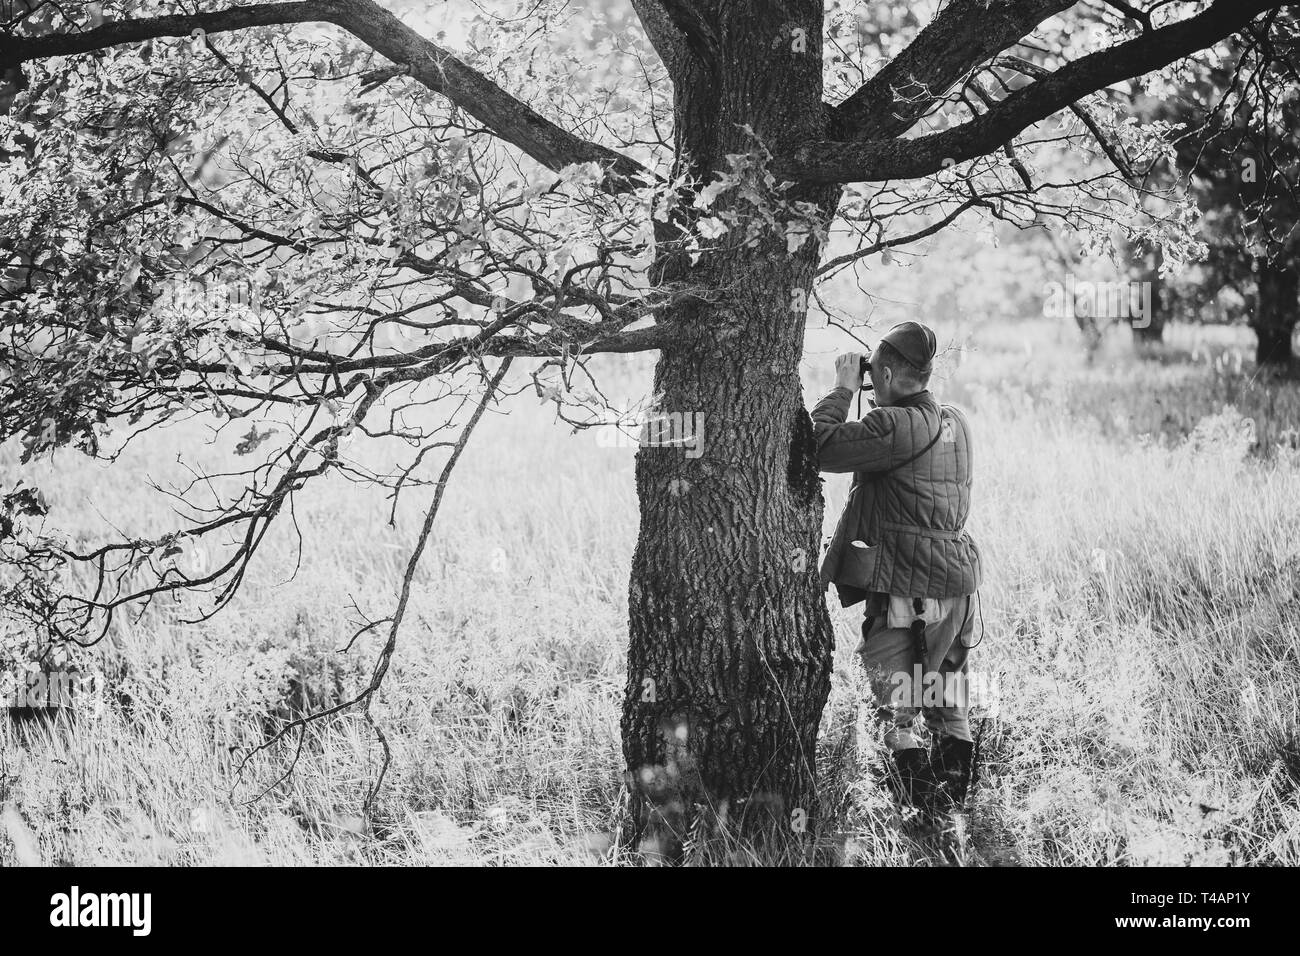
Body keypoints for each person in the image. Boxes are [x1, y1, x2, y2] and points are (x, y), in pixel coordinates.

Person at [810, 321, 983, 818]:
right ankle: (953, 818)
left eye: (873, 374)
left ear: (883, 371)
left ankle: (916, 819)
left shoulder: (894, 426)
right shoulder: (955, 419)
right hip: (957, 586)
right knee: (949, 703)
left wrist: (844, 389)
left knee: (896, 709)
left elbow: (819, 445)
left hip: (908, 587)